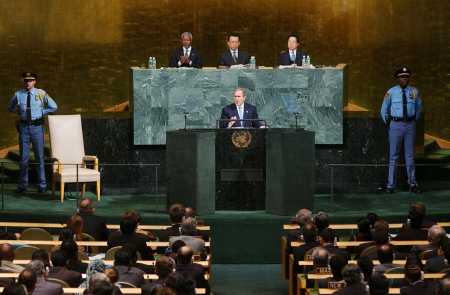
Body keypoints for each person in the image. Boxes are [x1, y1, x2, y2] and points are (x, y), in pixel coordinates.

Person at [7, 72, 58, 193]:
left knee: (39, 157)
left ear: (35, 81)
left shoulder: (41, 93)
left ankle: (42, 185)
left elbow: (54, 106)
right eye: (26, 80)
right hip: (24, 128)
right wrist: (18, 110)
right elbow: (10, 108)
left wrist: (41, 112)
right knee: (24, 158)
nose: (28, 82)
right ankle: (23, 185)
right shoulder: (18, 95)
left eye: (31, 80)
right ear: (23, 81)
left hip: (37, 127)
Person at [380, 67, 422, 194]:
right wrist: (389, 123)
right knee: (393, 156)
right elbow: (384, 110)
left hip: (410, 125)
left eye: (406, 76)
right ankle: (391, 185)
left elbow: (419, 108)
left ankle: (412, 184)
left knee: (409, 156)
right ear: (397, 78)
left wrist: (414, 120)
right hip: (395, 125)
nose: (404, 79)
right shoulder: (391, 92)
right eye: (402, 77)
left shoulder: (414, 91)